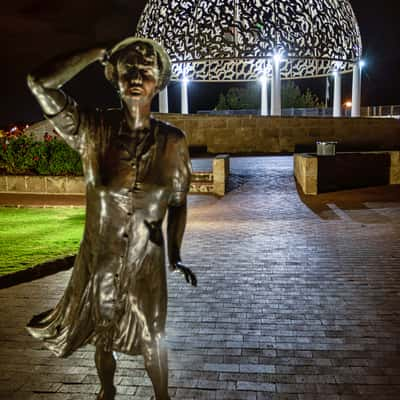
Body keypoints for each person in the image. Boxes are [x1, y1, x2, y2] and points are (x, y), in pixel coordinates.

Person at [26, 37, 197, 400]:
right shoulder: (91, 129)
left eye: (146, 70)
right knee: (103, 337)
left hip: (146, 264)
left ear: (159, 81)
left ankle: (161, 397)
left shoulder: (173, 142)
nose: (137, 75)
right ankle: (107, 392)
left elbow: (179, 201)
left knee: (154, 339)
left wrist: (175, 254)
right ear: (114, 75)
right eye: (128, 68)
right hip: (102, 261)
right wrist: (92, 51)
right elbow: (39, 83)